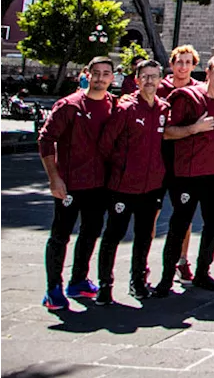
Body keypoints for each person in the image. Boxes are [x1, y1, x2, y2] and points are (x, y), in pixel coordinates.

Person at [154, 54, 214, 296]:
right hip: (188, 175)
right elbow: (166, 132)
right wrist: (193, 128)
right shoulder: (187, 97)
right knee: (179, 226)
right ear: (207, 72)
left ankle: (203, 272)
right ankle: (166, 278)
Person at [39, 56, 115, 309]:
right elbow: (46, 140)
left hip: (99, 185)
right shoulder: (69, 105)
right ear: (87, 74)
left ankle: (78, 280)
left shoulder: (114, 105)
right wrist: (54, 178)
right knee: (60, 236)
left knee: (91, 233)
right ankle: (53, 289)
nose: (101, 78)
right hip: (70, 184)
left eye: (106, 73)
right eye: (96, 73)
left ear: (112, 78)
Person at [95, 59, 167, 304]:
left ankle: (137, 281)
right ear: (136, 80)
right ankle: (105, 284)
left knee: (144, 237)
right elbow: (106, 144)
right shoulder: (125, 109)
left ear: (160, 79)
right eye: (145, 76)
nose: (149, 81)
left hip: (151, 187)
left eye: (154, 76)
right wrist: (117, 171)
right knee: (113, 236)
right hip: (122, 187)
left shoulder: (162, 109)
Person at [157, 44, 204, 283]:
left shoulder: (200, 91)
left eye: (188, 62)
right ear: (172, 64)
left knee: (183, 214)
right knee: (151, 213)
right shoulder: (158, 87)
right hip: (156, 157)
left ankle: (182, 260)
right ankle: (142, 263)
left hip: (185, 161)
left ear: (194, 66)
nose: (183, 66)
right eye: (179, 62)